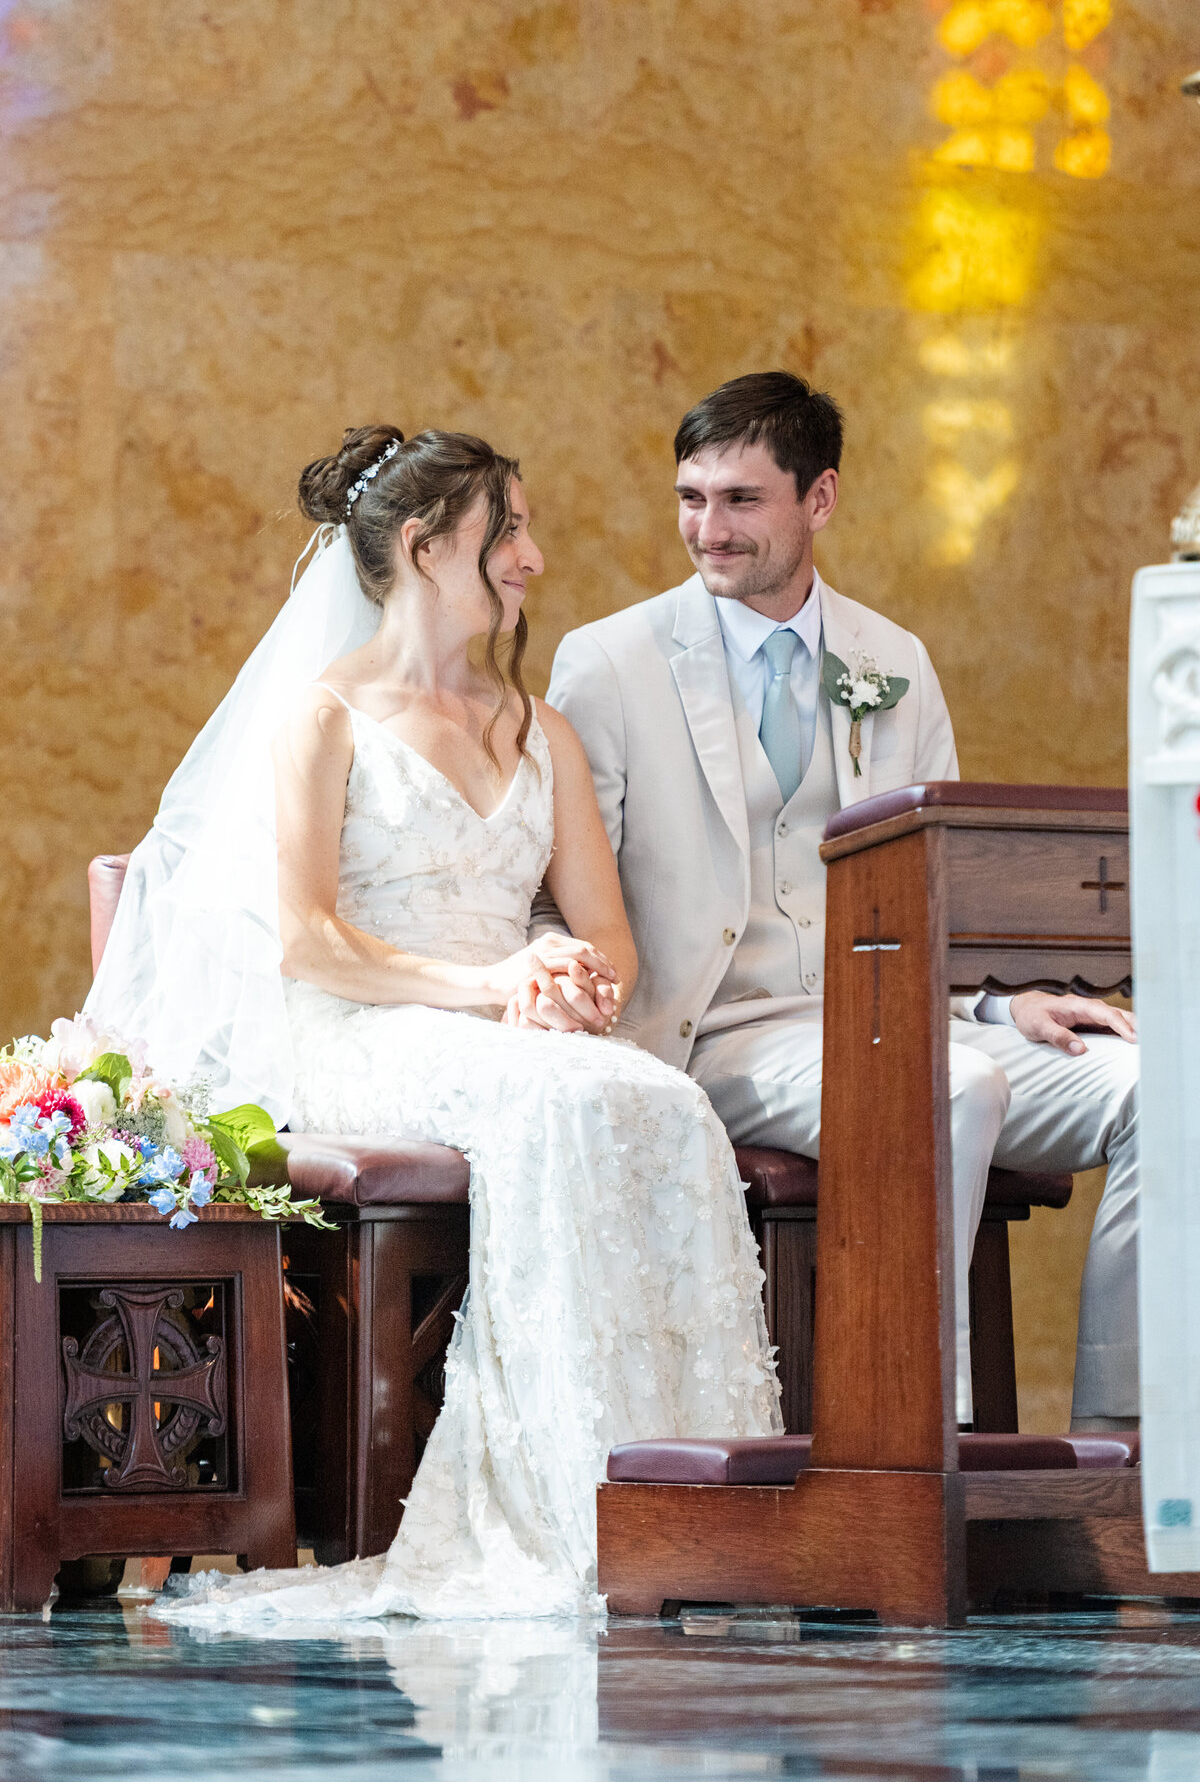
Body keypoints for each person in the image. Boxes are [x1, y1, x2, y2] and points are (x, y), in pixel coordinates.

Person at [91, 424, 781, 1625]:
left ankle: (708, 1511)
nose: (534, 557)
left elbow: (609, 940)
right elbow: (310, 941)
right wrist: (495, 986)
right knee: (563, 1102)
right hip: (359, 1027)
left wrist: (577, 984)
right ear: (423, 547)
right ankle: (572, 1507)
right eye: (507, 530)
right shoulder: (324, 719)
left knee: (664, 1097)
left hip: (503, 1028)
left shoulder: (540, 730)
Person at [535, 371, 1139, 1433]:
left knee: (1167, 1086)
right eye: (691, 499)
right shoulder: (611, 662)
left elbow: (941, 879)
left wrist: (999, 1002)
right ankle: (919, 1441)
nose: (708, 530)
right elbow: (556, 887)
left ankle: (1130, 1444)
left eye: (741, 501)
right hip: (714, 1032)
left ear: (821, 498)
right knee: (946, 1088)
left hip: (899, 1017)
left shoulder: (891, 659)